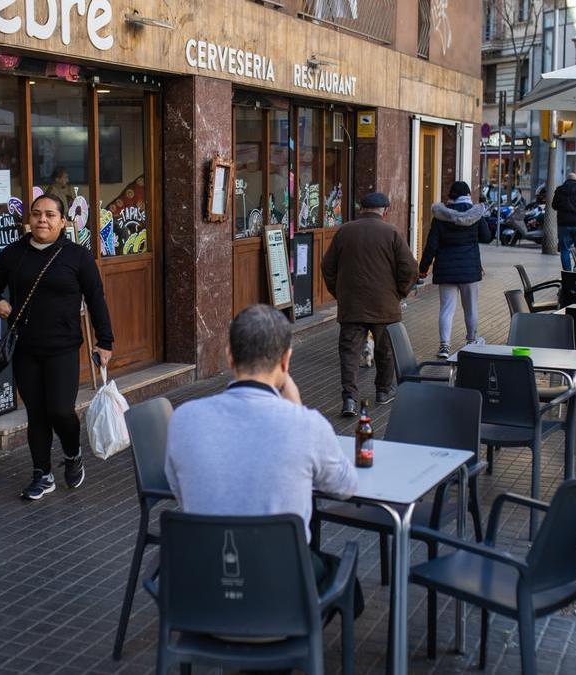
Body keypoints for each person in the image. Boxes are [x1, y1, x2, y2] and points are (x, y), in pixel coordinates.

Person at [165, 304, 361, 610]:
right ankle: (300, 652)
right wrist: (296, 409)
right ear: (285, 360)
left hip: (203, 596)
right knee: (347, 582)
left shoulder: (183, 420)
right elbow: (346, 487)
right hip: (283, 600)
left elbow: (180, 492)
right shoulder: (307, 425)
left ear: (229, 356)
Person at [0, 193, 114, 500]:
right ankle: (42, 474)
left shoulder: (77, 256)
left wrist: (104, 341)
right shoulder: (14, 253)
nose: (42, 219)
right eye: (37, 214)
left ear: (62, 222)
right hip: (26, 347)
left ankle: (72, 452)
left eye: (50, 215)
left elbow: (96, 299)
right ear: (29, 219)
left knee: (60, 410)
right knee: (37, 414)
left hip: (63, 347)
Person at [321, 191, 419, 417]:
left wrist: (340, 293)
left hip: (351, 306)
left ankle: (349, 400)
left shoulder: (344, 231)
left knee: (349, 354)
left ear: (362, 209)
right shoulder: (392, 232)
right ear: (385, 210)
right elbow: (410, 269)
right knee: (385, 351)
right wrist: (400, 292)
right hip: (385, 306)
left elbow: (327, 266)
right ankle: (383, 391)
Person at [419, 180, 490, 360]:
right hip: (469, 269)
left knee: (446, 309)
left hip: (446, 270)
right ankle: (471, 341)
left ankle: (444, 346)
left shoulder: (441, 216)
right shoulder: (475, 214)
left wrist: (423, 269)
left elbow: (431, 245)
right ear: (468, 194)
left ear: (451, 195)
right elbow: (487, 237)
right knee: (471, 308)